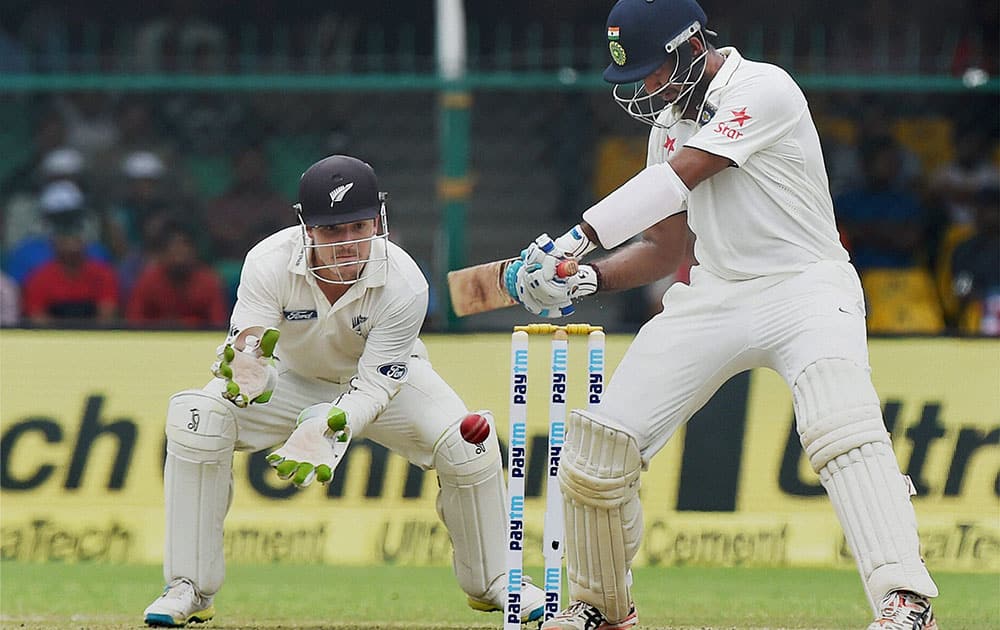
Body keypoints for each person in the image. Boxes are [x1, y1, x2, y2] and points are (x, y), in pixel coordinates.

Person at [505, 1, 939, 628]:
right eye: (637, 77)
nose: (647, 88)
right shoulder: (666, 127)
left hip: (806, 285)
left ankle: (904, 602)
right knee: (598, 450)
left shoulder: (763, 88)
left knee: (840, 426)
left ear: (690, 44)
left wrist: (576, 237)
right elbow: (667, 248)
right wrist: (584, 277)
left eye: (654, 70)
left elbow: (683, 177)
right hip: (716, 292)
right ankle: (600, 609)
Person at [142, 155, 544, 627]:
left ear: (379, 220)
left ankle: (496, 581)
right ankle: (188, 586)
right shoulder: (267, 262)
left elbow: (377, 383)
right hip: (289, 378)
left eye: (358, 227)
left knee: (467, 442)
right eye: (333, 231)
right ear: (307, 229)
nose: (349, 244)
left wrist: (335, 423)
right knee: (198, 417)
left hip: (388, 383)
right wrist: (252, 370)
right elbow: (251, 341)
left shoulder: (405, 283)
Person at [124, 220, 228, 329]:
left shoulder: (209, 284)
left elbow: (218, 327)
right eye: (173, 246)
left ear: (194, 251)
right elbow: (134, 324)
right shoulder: (148, 282)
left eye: (184, 245)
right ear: (162, 253)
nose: (179, 252)